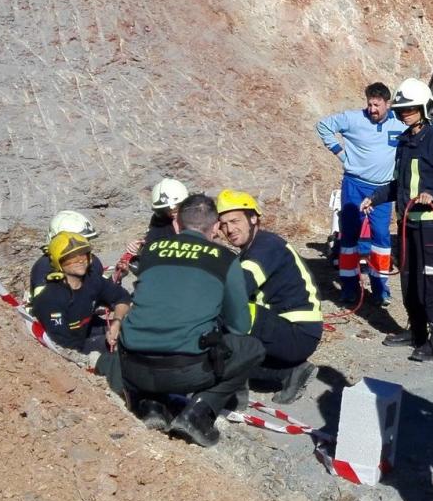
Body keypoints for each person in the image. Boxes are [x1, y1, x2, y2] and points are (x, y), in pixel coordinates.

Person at [118, 194, 265, 447]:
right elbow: (240, 326)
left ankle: (152, 405)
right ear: (216, 228)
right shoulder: (225, 260)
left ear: (177, 225)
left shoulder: (150, 251)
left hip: (132, 366)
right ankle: (198, 414)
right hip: (186, 371)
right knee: (251, 348)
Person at [317, 81, 433, 306]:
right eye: (369, 104)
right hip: (354, 186)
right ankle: (349, 289)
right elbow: (323, 126)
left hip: (384, 189)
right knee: (349, 238)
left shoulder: (400, 120)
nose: (372, 109)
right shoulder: (352, 119)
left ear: (387, 104)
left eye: (377, 105)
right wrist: (343, 156)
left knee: (381, 239)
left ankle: (380, 288)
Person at [361, 78, 433, 361]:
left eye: (411, 109)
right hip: (408, 223)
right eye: (401, 110)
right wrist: (376, 196)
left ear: (425, 109)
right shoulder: (405, 142)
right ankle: (416, 330)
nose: (405, 114)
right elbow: (400, 184)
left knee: (432, 280)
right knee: (409, 279)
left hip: (431, 223)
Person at [216, 189, 322, 404]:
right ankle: (290, 372)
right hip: (285, 328)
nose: (229, 229)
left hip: (297, 333)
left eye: (235, 221)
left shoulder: (266, 245)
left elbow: (240, 288)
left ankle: (234, 389)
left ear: (253, 218)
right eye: (224, 224)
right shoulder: (252, 249)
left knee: (230, 314)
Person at [31, 232, 131, 353]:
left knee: (131, 333)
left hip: (85, 333)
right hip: (71, 348)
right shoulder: (51, 299)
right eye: (72, 257)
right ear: (59, 262)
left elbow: (122, 298)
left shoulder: (92, 281)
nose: (80, 261)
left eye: (83, 255)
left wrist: (116, 322)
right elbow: (64, 347)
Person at [29, 210, 105, 300]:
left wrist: (117, 276)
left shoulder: (93, 262)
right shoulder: (44, 267)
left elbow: (106, 291)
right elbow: (44, 306)